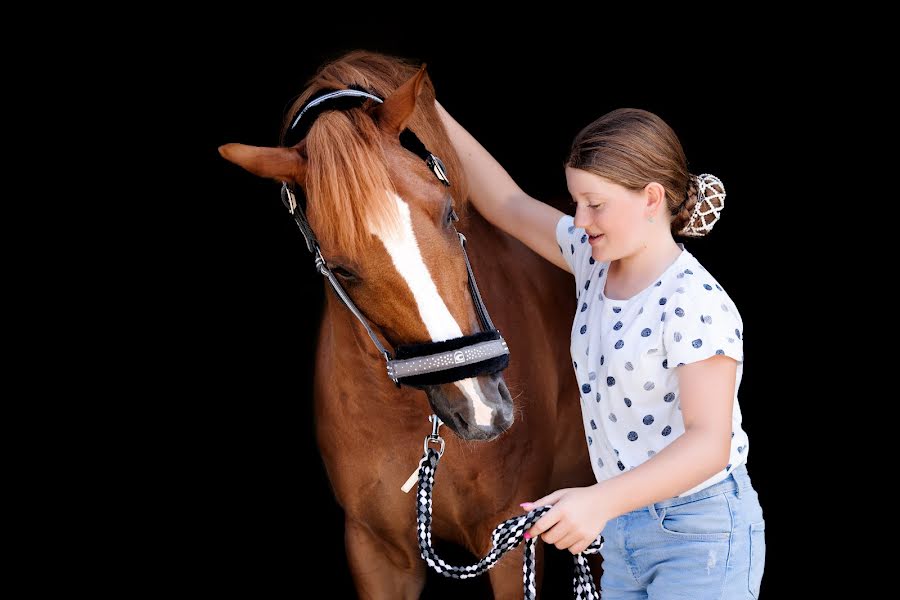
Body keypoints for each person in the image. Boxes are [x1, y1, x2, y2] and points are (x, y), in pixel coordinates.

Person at [437, 102, 766, 599]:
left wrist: (597, 503)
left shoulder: (693, 302)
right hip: (623, 530)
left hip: (701, 535)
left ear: (651, 198)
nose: (580, 218)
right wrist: (427, 108)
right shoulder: (593, 264)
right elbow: (504, 201)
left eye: (594, 203)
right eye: (575, 202)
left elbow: (708, 443)